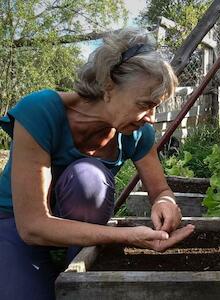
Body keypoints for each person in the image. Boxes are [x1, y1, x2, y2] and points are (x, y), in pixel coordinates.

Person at [0, 28, 195, 299]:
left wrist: (166, 203)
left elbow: (160, 191)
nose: (151, 117)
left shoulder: (136, 131)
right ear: (108, 87)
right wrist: (126, 236)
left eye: (156, 107)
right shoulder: (40, 112)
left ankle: (75, 264)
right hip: (17, 224)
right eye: (145, 104)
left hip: (82, 234)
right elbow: (32, 225)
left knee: (88, 178)